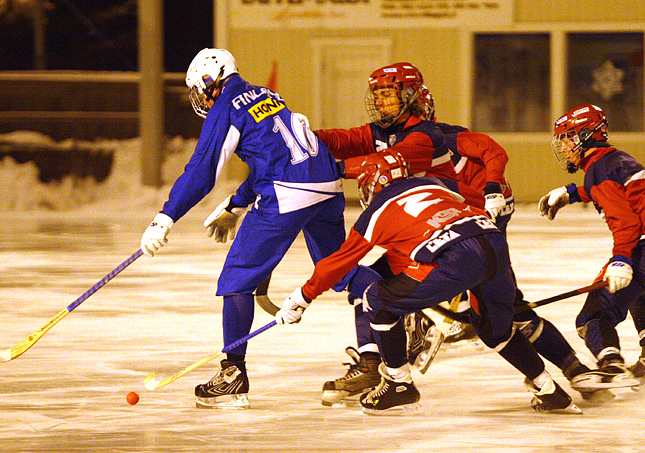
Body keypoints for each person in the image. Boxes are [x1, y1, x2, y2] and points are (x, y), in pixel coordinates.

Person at [276, 151, 581, 415]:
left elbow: (339, 262)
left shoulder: (377, 209)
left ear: (373, 184)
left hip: (457, 257)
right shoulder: (434, 183)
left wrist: (302, 297)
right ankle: (549, 390)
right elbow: (483, 204)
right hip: (492, 241)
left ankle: (398, 383)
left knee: (376, 300)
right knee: (493, 330)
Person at [140, 48, 351, 409]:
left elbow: (202, 172)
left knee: (237, 278)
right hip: (327, 183)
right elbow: (274, 155)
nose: (199, 98)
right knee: (343, 269)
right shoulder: (266, 95)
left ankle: (232, 375)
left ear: (211, 80)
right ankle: (387, 346)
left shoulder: (226, 107)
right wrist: (237, 203)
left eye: (198, 89)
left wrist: (165, 217)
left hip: (288, 192)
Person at [538, 103, 644, 390]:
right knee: (636, 292)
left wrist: (622, 259)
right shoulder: (616, 161)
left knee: (592, 317)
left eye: (568, 138)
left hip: (642, 247)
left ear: (587, 135)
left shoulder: (599, 169)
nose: (564, 147)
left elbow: (628, 223)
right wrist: (573, 192)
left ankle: (611, 365)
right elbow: (618, 191)